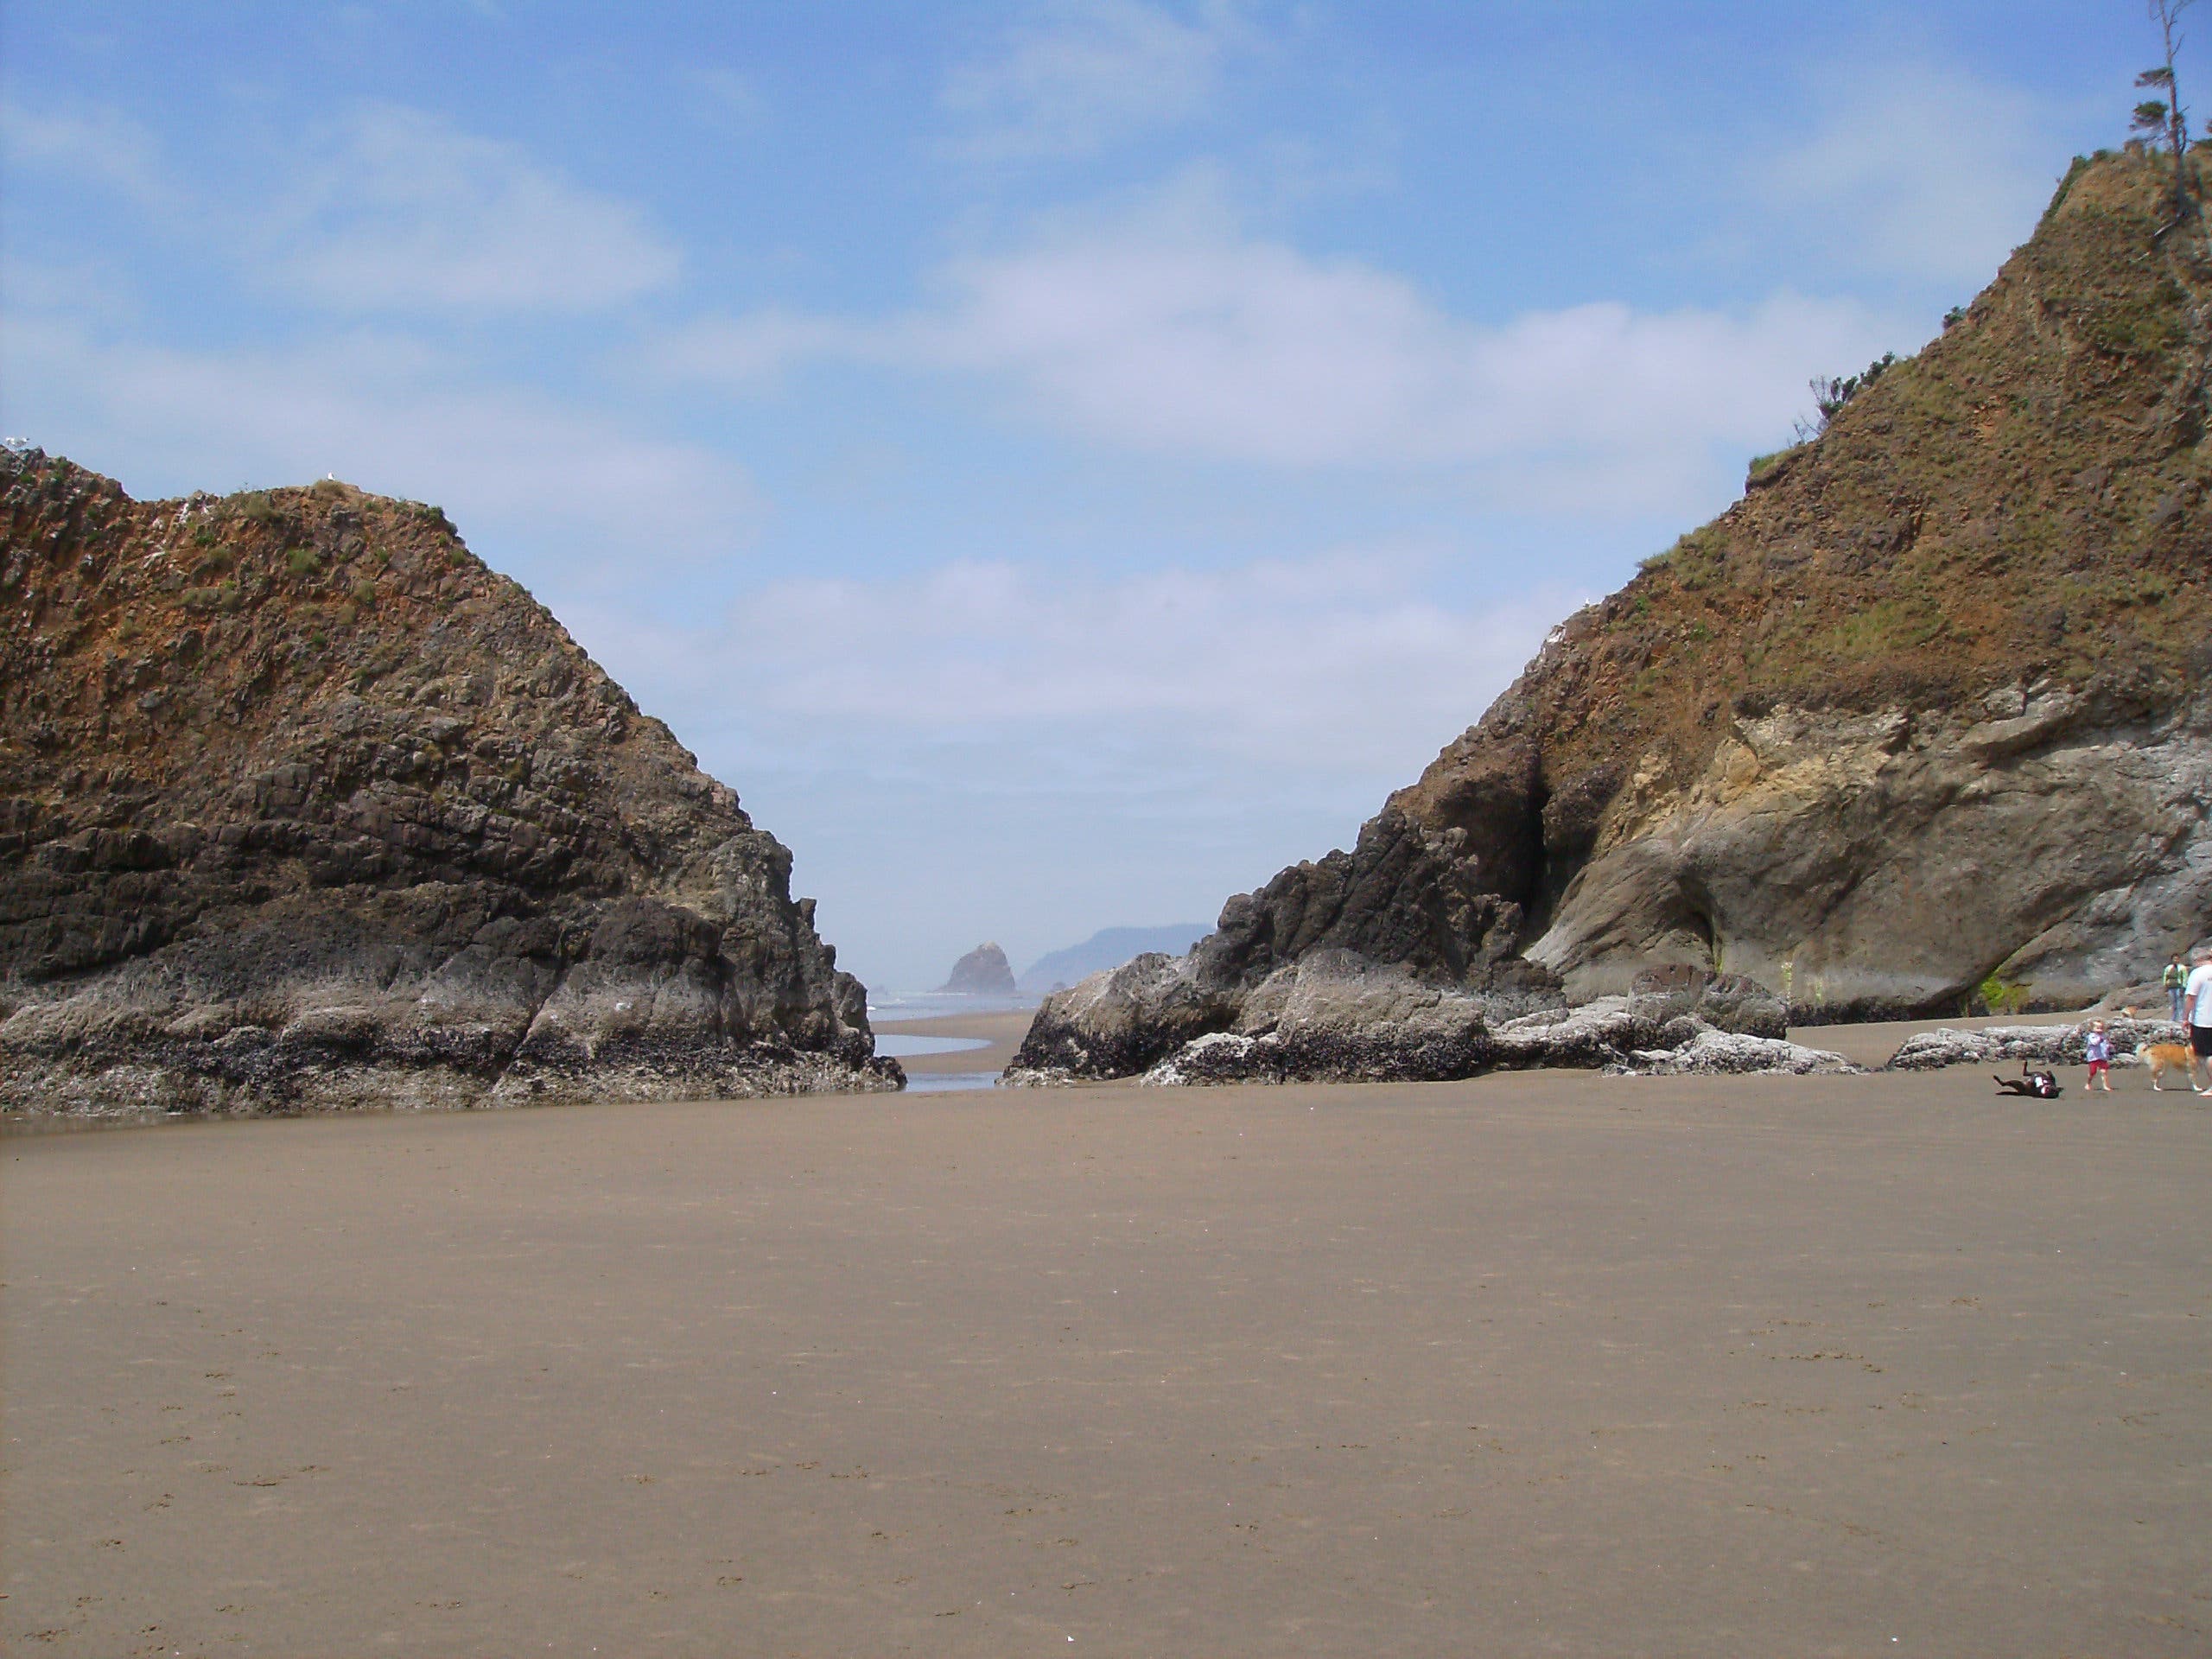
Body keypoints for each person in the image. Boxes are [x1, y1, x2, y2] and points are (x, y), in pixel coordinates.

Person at [2187, 950, 2212, 1096]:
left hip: (2203, 1020)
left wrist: (2184, 1017)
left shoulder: (2197, 973)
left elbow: (2191, 997)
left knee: (2207, 1054)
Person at [2084, 1020, 2113, 1094]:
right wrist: (2099, 1039)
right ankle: (2088, 1083)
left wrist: (2109, 1046)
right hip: (2093, 1057)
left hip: (2103, 1056)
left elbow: (2106, 1043)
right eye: (2097, 1028)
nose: (2100, 1030)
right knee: (2093, 1072)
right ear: (2092, 1028)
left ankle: (2105, 1086)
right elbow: (2094, 1043)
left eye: (2101, 1028)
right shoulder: (2091, 1036)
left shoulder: (2104, 1035)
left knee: (2104, 1071)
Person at [2166, 955, 2190, 1025]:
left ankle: (2180, 1018)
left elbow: (2185, 978)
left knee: (2180, 1003)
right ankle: (2173, 1018)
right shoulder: (2168, 968)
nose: (2175, 960)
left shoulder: (2182, 968)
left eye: (2177, 959)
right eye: (2174, 959)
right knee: (2173, 1004)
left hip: (2179, 987)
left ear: (2179, 960)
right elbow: (2166, 977)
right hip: (2171, 987)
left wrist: (2183, 988)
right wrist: (2165, 987)